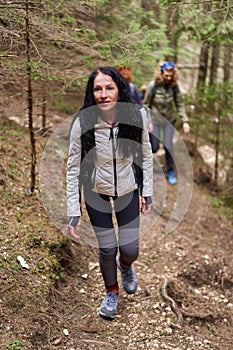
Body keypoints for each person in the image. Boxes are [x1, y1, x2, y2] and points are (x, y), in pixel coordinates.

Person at [66, 66, 153, 320]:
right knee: (107, 248)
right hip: (95, 193)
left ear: (119, 90)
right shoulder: (82, 121)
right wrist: (73, 210)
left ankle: (125, 265)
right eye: (97, 89)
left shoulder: (136, 115)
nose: (103, 94)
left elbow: (146, 156)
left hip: (127, 189)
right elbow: (72, 167)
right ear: (91, 93)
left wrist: (147, 192)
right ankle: (111, 293)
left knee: (130, 250)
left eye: (109, 88)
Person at [143, 61, 190, 185]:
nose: (168, 78)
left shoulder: (174, 87)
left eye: (171, 75)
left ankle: (170, 171)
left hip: (169, 120)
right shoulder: (153, 85)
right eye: (166, 75)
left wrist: (185, 121)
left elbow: (179, 103)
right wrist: (148, 122)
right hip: (155, 120)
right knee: (154, 147)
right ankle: (147, 169)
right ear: (161, 73)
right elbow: (146, 105)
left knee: (168, 145)